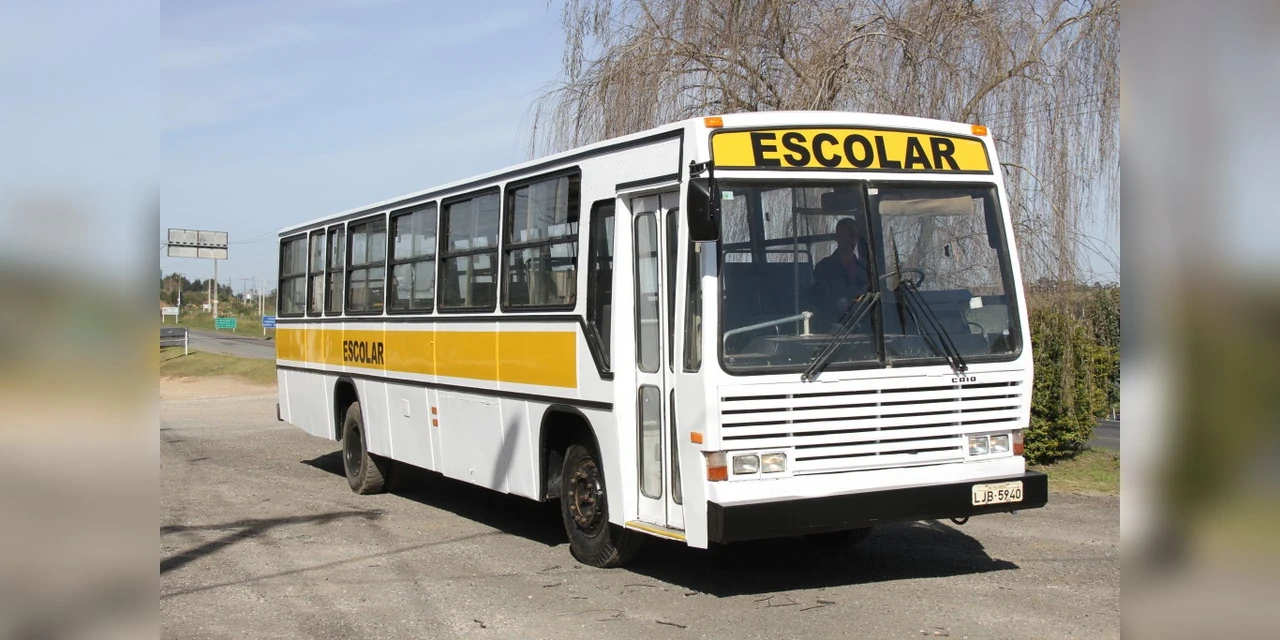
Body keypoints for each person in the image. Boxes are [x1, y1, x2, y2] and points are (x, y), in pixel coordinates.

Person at [810, 217, 872, 329]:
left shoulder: (865, 269)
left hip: (864, 329)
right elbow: (820, 304)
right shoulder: (823, 268)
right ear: (837, 238)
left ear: (857, 238)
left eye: (852, 236)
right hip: (834, 329)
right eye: (845, 236)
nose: (849, 240)